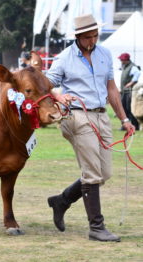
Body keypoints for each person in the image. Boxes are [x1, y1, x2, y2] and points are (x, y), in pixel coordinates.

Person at [46, 14, 135, 242]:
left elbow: (112, 90)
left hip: (101, 116)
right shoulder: (64, 58)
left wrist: (124, 120)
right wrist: (58, 95)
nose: (92, 40)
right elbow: (46, 84)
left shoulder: (104, 54)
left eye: (95, 35)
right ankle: (97, 227)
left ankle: (62, 200)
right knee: (92, 173)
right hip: (75, 116)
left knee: (104, 173)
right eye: (88, 37)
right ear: (77, 36)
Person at [118, 53, 140, 130]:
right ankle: (125, 125)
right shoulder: (125, 66)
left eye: (122, 59)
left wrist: (130, 83)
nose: (120, 60)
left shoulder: (133, 67)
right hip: (124, 91)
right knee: (124, 109)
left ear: (126, 60)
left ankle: (135, 125)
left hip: (130, 91)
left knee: (130, 109)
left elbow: (137, 75)